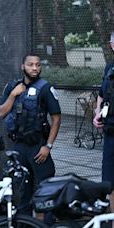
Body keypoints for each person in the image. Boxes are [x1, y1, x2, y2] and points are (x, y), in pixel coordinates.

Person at [0, 53, 61, 218]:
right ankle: (24, 223)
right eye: (30, 64)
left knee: (46, 190)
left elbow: (56, 119)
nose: (34, 68)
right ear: (22, 66)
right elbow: (1, 113)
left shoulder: (45, 88)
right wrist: (13, 95)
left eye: (38, 65)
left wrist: (48, 146)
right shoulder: (12, 86)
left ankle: (46, 223)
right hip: (19, 146)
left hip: (38, 147)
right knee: (23, 190)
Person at [93, 32, 114, 221]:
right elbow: (101, 94)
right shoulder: (109, 68)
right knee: (110, 182)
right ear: (112, 45)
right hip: (110, 135)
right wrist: (97, 112)